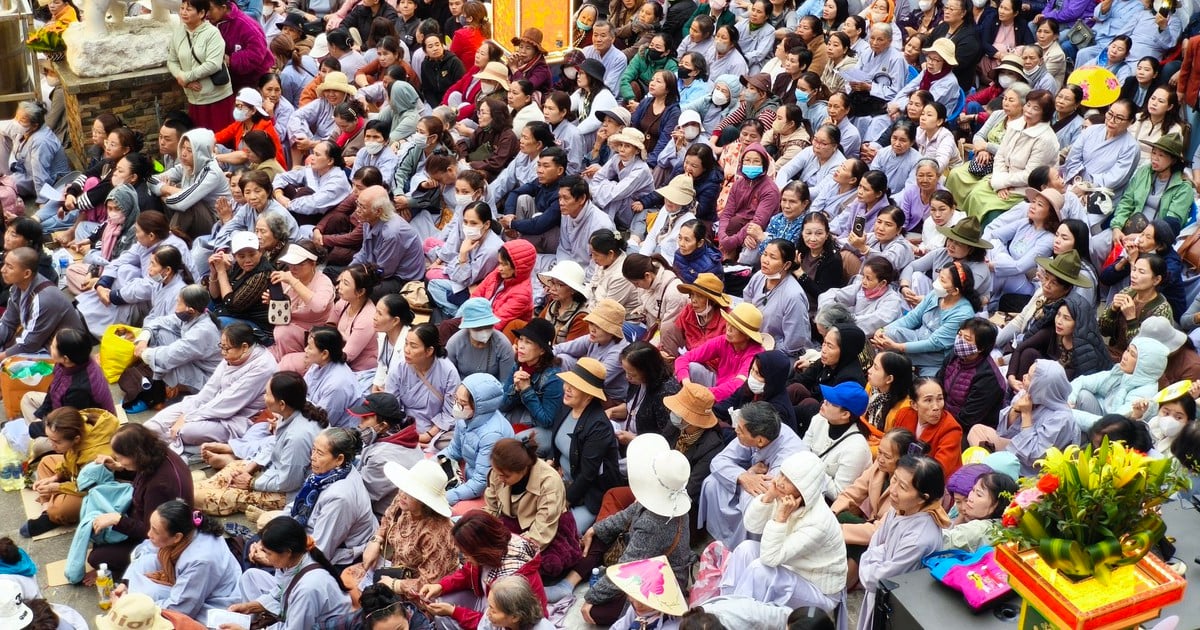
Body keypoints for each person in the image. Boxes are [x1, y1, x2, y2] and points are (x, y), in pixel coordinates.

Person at [551, 434, 691, 626]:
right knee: (598, 535)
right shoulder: (671, 499)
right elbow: (627, 515)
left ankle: (581, 581)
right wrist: (595, 529)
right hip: (644, 562)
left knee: (594, 612)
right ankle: (568, 583)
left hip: (659, 585)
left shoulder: (654, 524)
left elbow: (628, 569)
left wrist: (592, 597)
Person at [718, 450, 847, 612]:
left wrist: (780, 518)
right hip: (790, 568)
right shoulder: (787, 497)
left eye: (789, 480)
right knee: (745, 549)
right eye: (782, 474)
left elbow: (769, 558)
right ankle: (726, 608)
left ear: (803, 489)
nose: (780, 482)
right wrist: (768, 498)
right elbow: (751, 525)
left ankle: (738, 617)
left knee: (760, 571)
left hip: (818, 590)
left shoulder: (818, 522)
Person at [193, 371, 325, 515]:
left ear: (281, 404)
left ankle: (198, 492)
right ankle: (200, 487)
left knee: (213, 497)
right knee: (234, 469)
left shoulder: (298, 437)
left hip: (289, 494)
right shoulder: (295, 407)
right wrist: (251, 467)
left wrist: (252, 483)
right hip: (274, 472)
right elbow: (275, 444)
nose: (264, 397)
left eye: (267, 394)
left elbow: (289, 482)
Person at [343, 459, 459, 606]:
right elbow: (388, 519)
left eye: (411, 493)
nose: (402, 494)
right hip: (394, 567)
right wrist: (376, 540)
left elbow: (429, 584)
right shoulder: (404, 501)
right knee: (347, 579)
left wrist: (396, 585)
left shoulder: (438, 533)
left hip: (419, 589)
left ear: (425, 501)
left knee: (367, 604)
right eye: (404, 488)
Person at [144, 322, 276, 451]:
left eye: (226, 348)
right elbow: (209, 390)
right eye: (221, 346)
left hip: (238, 419)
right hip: (212, 407)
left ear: (245, 347)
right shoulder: (233, 355)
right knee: (154, 425)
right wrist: (187, 413)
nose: (223, 352)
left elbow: (228, 403)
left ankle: (154, 450)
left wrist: (188, 417)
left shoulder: (263, 366)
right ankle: (143, 442)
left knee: (185, 431)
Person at [856, 455, 948, 630]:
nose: (893, 490)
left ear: (923, 498)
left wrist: (871, 560)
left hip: (895, 604)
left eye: (903, 487)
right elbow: (877, 542)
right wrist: (878, 557)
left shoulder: (919, 538)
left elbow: (879, 578)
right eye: (894, 479)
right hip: (878, 591)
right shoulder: (901, 507)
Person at [88, 424, 193, 577]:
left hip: (162, 538)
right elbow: (142, 477)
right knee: (98, 537)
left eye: (121, 457)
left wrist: (117, 520)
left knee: (97, 557)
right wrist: (119, 468)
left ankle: (125, 575)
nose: (119, 460)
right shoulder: (159, 455)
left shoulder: (159, 486)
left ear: (136, 455)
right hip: (149, 518)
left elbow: (150, 531)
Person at [698, 401, 807, 548]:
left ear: (760, 440)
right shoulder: (756, 433)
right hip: (752, 479)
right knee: (712, 482)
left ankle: (739, 548)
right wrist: (744, 475)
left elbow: (766, 493)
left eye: (741, 429)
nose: (736, 430)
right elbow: (718, 461)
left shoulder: (788, 455)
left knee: (752, 503)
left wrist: (747, 477)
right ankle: (716, 535)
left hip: (777, 502)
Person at [418, 510, 547, 630]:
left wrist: (453, 611)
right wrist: (440, 586)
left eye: (466, 554)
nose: (465, 558)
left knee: (444, 616)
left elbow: (491, 624)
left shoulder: (508, 582)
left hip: (502, 620)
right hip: (492, 606)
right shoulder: (493, 549)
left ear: (480, 551)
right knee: (440, 600)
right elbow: (468, 573)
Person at [121, 501, 240, 618]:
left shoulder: (200, 560)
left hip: (213, 604)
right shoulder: (189, 528)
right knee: (144, 561)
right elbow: (148, 548)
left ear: (177, 537)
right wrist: (124, 584)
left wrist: (136, 609)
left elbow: (180, 608)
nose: (148, 533)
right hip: (194, 585)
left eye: (155, 531)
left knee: (147, 593)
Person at [485, 438, 580, 581]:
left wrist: (513, 552)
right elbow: (492, 508)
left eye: (506, 476)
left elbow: (543, 528)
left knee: (551, 564)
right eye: (497, 473)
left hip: (550, 527)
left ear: (523, 469)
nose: (500, 478)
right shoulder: (498, 471)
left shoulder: (549, 481)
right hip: (513, 520)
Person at [231, 516, 352, 628]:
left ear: (287, 552)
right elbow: (281, 590)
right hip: (300, 614)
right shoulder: (295, 560)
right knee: (250, 576)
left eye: (268, 553)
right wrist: (250, 607)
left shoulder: (307, 588)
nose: (265, 557)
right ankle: (249, 621)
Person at [969, 359, 1078, 476]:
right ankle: (990, 468)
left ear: (1042, 386)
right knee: (977, 431)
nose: (1024, 376)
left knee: (993, 459)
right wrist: (1016, 410)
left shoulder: (1062, 418)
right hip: (1015, 449)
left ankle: (990, 472)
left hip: (1033, 470)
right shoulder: (1028, 395)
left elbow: (1033, 456)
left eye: (1030, 377)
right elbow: (1003, 433)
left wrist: (1026, 414)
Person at [551, 357, 623, 534]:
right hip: (562, 480)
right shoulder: (567, 406)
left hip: (589, 492)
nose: (566, 388)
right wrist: (553, 464)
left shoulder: (598, 426)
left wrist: (566, 501)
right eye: (567, 383)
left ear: (589, 395)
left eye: (574, 386)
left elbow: (588, 474)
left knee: (563, 533)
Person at [22, 406, 118, 537]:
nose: (51, 445)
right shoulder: (75, 430)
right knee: (46, 462)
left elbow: (87, 488)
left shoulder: (94, 456)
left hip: (96, 489)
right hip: (78, 476)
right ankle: (46, 510)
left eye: (56, 441)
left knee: (59, 509)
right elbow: (69, 460)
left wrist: (58, 487)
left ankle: (52, 514)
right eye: (49, 439)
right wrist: (56, 477)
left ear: (76, 439)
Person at [124, 284, 222, 411]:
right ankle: (166, 386)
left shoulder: (202, 331)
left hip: (207, 379)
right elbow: (159, 322)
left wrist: (143, 353)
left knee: (164, 362)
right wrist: (143, 339)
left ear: (190, 309)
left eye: (179, 303)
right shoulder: (195, 315)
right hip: (194, 363)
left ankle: (158, 394)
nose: (176, 307)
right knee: (160, 334)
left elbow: (168, 357)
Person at [872, 262, 980, 375]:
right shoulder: (935, 294)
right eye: (939, 277)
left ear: (955, 291)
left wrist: (898, 347)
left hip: (934, 358)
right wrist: (883, 330)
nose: (937, 282)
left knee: (926, 387)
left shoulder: (962, 314)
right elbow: (912, 318)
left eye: (942, 280)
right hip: (916, 337)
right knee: (886, 335)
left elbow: (934, 343)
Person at [439, 373, 516, 511]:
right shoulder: (465, 418)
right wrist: (430, 464)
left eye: (462, 403)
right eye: (456, 399)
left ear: (479, 407)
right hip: (469, 475)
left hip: (491, 490)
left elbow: (481, 482)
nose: (456, 406)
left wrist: (445, 497)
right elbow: (453, 451)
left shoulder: (492, 435)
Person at [19, 329, 114, 436]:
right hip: (64, 407)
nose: (50, 346)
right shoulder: (72, 362)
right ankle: (35, 433)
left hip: (87, 428)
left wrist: (38, 427)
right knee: (27, 399)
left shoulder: (79, 389)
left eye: (54, 346)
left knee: (37, 445)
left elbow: (70, 425)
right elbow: (52, 392)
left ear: (66, 358)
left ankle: (37, 438)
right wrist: (40, 417)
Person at [1069, 336, 1168, 432]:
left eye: (1132, 355)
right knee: (1082, 394)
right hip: (1105, 419)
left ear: (1146, 365)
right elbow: (1083, 381)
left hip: (1117, 433)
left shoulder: (1144, 396)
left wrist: (1066, 413)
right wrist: (1069, 401)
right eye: (1127, 350)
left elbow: (1112, 424)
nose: (1125, 356)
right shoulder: (1123, 373)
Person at [386, 323, 460, 450]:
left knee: (449, 443)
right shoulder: (398, 369)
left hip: (438, 430)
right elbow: (391, 407)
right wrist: (405, 434)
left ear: (429, 351)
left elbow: (451, 412)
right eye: (406, 343)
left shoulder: (448, 372)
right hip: (405, 428)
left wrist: (428, 435)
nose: (406, 350)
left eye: (413, 346)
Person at [0, 247, 82, 360]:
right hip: (39, 342)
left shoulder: (44, 299)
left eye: (10, 267)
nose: (3, 270)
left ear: (26, 273)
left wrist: (2, 357)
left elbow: (29, 345)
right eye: (4, 264)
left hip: (62, 354)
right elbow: (8, 323)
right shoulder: (17, 288)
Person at [167, 0, 235, 131]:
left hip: (217, 98)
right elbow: (171, 61)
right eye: (182, 8)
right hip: (194, 99)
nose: (183, 12)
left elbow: (213, 64)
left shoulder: (212, 33)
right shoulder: (178, 32)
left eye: (189, 9)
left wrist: (187, 77)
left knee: (219, 141)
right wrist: (181, 78)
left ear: (202, 13)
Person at [801, 383, 872, 500]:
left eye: (832, 402)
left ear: (845, 414)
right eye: (826, 398)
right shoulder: (818, 420)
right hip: (809, 488)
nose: (824, 402)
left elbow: (839, 494)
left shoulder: (857, 448)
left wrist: (814, 467)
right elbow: (802, 452)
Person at [352, 185, 424, 300]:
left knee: (362, 292)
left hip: (400, 279)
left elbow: (384, 271)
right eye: (358, 204)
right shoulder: (368, 220)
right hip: (376, 267)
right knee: (337, 274)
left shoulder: (392, 233)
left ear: (378, 211)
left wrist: (356, 279)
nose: (357, 210)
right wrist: (349, 271)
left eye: (362, 207)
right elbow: (364, 252)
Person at [742, 238, 812, 357]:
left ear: (787, 265)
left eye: (772, 257)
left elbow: (794, 343)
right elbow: (746, 307)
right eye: (764, 254)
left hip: (781, 354)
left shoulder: (793, 296)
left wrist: (766, 348)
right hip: (753, 341)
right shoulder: (759, 276)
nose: (765, 260)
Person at [937, 317, 1005, 436]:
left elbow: (968, 419)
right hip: (940, 413)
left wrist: (938, 423)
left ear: (981, 348)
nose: (960, 340)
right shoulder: (955, 356)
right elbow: (937, 383)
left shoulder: (988, 378)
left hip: (967, 429)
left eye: (967, 339)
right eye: (959, 334)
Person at [894, 378, 962, 476]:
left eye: (940, 399)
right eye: (928, 400)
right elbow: (892, 449)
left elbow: (938, 471)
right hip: (901, 472)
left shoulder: (951, 429)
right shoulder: (904, 415)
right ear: (914, 404)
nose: (936, 407)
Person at [480, 575, 554, 630]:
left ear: (515, 617)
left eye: (493, 611)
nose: (487, 613)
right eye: (490, 606)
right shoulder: (491, 618)